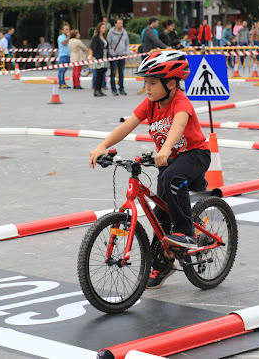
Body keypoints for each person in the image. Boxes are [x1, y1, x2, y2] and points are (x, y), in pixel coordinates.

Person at [88, 50, 210, 289]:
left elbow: (179, 125)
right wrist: (103, 145)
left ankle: (186, 232)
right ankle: (162, 263)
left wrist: (165, 149)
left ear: (172, 83)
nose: (147, 88)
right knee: (160, 213)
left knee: (173, 178)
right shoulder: (149, 104)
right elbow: (128, 126)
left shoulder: (180, 102)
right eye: (146, 82)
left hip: (194, 155)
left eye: (152, 83)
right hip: (168, 159)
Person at [107, 18, 130, 95]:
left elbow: (127, 43)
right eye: (119, 23)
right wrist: (111, 51)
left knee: (121, 73)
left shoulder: (124, 33)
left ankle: (121, 89)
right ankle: (113, 89)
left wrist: (126, 52)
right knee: (113, 73)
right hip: (114, 56)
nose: (121, 25)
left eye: (122, 23)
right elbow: (108, 44)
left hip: (122, 55)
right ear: (115, 24)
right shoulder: (110, 33)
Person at [91, 22, 109, 96]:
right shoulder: (95, 38)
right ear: (99, 29)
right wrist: (98, 59)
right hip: (99, 58)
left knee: (102, 73)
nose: (104, 29)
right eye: (103, 28)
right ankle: (96, 90)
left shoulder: (105, 37)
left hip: (104, 56)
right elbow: (94, 49)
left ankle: (100, 89)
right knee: (98, 74)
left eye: (105, 27)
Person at [57, 24, 71, 89]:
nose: (67, 31)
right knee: (61, 70)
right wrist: (68, 37)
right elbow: (64, 43)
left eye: (68, 29)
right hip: (63, 56)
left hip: (68, 55)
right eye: (66, 29)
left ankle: (64, 83)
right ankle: (61, 84)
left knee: (64, 70)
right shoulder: (61, 37)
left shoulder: (69, 38)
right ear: (63, 31)